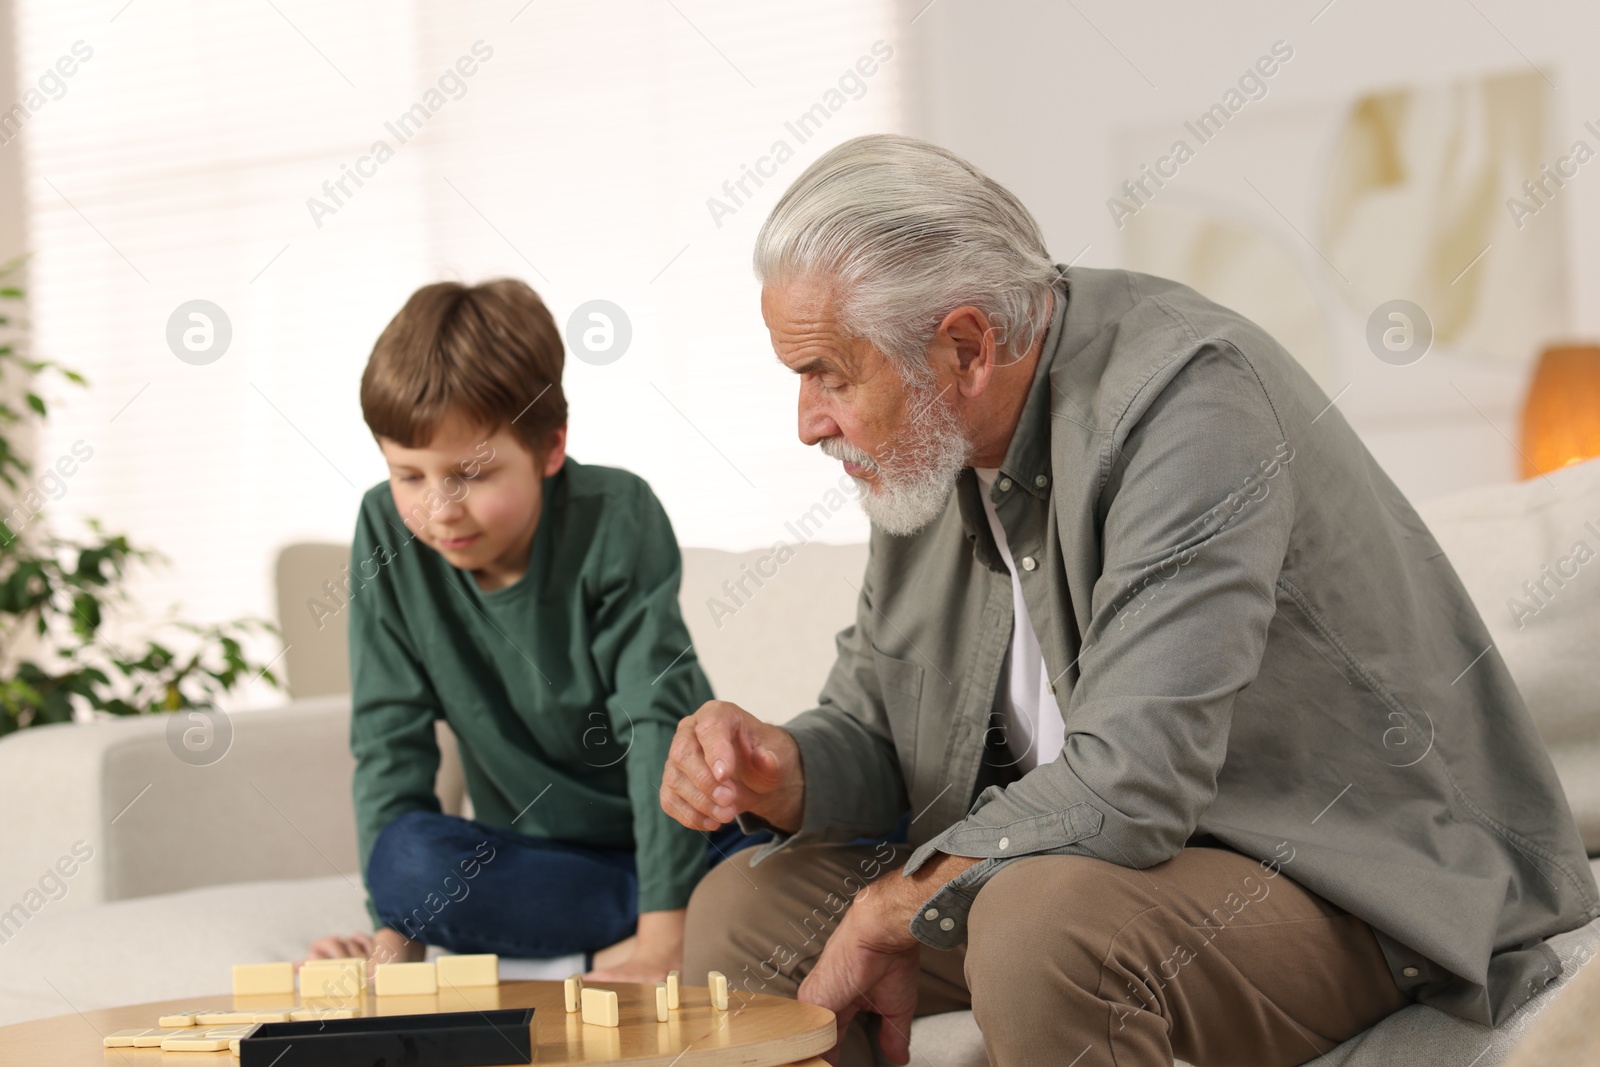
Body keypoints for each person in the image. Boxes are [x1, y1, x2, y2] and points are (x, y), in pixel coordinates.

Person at [660, 135, 1599, 1067]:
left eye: (829, 373)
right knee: (744, 911)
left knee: (1037, 925)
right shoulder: (920, 450)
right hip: (1112, 871)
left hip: (1352, 876)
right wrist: (785, 769)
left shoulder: (1190, 402)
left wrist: (893, 905)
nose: (808, 422)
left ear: (963, 347)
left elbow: (1133, 781)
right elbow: (876, 727)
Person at [307, 278, 761, 982]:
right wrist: (391, 954)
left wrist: (660, 944)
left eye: (472, 473)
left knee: (822, 842)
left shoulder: (616, 513)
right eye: (409, 475)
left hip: (688, 847)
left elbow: (654, 725)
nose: (440, 508)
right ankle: (653, 941)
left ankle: (666, 934)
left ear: (550, 448)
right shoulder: (384, 531)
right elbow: (388, 747)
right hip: (549, 868)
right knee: (405, 861)